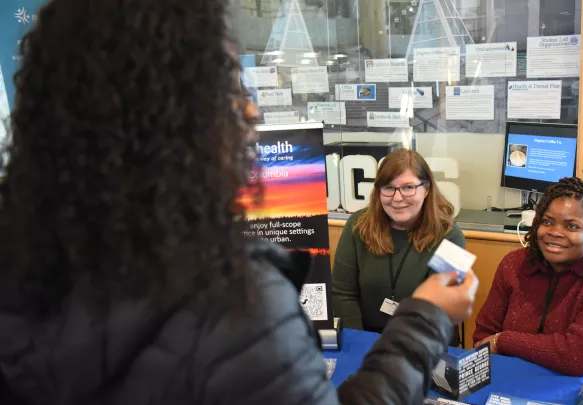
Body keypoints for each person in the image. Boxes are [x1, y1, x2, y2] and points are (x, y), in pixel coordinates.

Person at [0, 1, 479, 404]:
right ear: (170, 116)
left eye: (410, 188)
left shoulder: (26, 252)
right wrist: (426, 317)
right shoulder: (237, 302)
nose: (250, 110)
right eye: (227, 86)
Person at [472, 174, 583, 376]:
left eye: (571, 226)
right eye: (548, 221)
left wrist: (503, 341)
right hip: (517, 377)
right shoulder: (514, 264)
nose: (555, 232)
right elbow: (483, 335)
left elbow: (580, 357)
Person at [332, 148, 466, 343]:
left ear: (426, 189)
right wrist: (360, 344)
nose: (397, 198)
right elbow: (343, 294)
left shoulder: (453, 237)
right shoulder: (357, 225)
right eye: (388, 188)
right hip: (365, 338)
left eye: (408, 187)